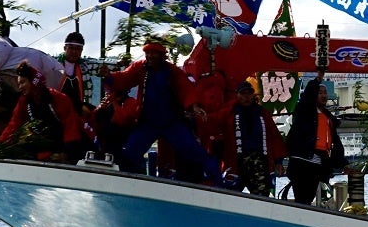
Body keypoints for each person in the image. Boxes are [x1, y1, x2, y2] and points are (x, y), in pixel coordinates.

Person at [107, 42, 221, 185]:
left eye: (154, 53)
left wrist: (194, 106)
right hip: (148, 124)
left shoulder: (173, 71)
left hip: (171, 124)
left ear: (162, 56)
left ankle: (217, 180)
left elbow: (186, 89)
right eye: (148, 53)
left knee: (195, 151)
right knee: (130, 151)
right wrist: (109, 77)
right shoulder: (140, 68)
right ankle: (129, 181)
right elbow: (125, 78)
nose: (150, 56)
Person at [286, 76, 345, 205]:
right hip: (302, 161)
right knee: (302, 199)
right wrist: (318, 78)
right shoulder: (305, 112)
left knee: (307, 199)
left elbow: (335, 142)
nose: (323, 95)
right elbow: (306, 98)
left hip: (317, 163)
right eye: (320, 93)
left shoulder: (328, 117)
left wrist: (343, 164)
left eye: (325, 93)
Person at [223, 79, 285, 196]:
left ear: (253, 94)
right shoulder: (229, 113)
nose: (246, 97)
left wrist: (278, 161)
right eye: (243, 94)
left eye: (249, 93)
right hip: (236, 163)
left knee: (262, 199)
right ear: (237, 95)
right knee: (229, 198)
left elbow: (274, 137)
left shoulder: (262, 113)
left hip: (259, 164)